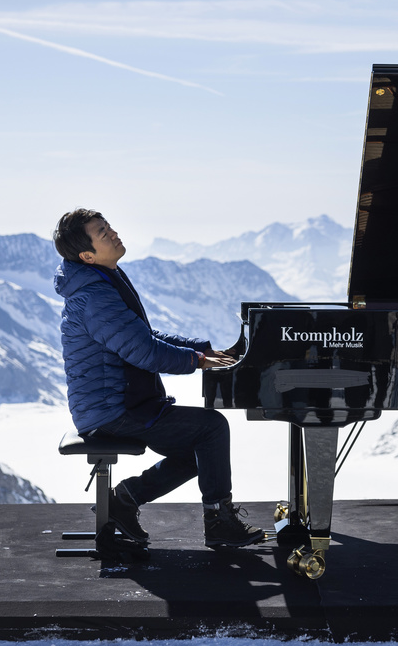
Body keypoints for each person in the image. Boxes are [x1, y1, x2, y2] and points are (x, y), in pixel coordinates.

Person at [52, 208, 263, 557]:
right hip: (112, 410)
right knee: (211, 428)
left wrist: (204, 350)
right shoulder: (95, 297)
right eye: (102, 233)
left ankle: (124, 500)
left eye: (108, 227)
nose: (113, 233)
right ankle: (219, 522)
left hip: (116, 403)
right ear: (87, 255)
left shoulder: (102, 279)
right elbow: (144, 352)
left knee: (202, 447)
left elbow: (143, 335)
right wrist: (198, 362)